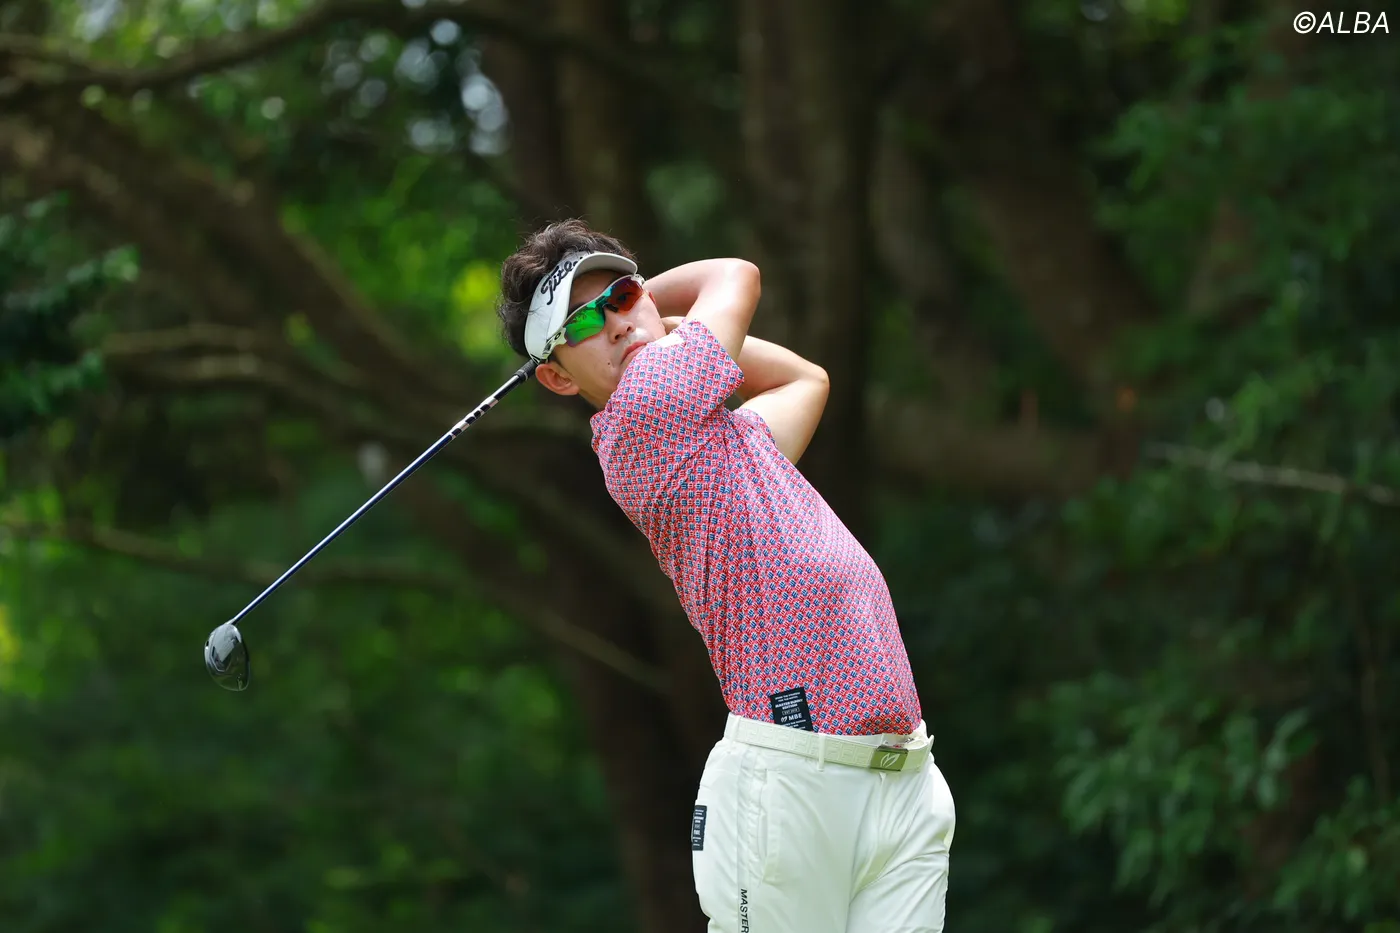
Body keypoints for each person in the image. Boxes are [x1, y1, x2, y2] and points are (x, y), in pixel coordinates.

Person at [496, 219, 956, 932]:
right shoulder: (643, 411)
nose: (614, 322)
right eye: (582, 321)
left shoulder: (725, 446)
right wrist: (655, 312)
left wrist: (651, 314)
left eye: (620, 296)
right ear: (555, 376)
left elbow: (806, 379)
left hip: (902, 774)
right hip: (794, 778)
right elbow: (736, 275)